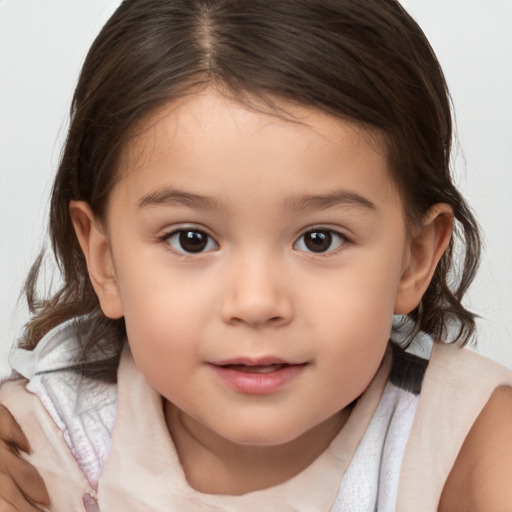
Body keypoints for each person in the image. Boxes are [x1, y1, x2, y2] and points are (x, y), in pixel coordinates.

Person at [1, 0, 512, 510]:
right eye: (191, 239)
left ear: (413, 257)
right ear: (105, 259)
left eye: (319, 239)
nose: (255, 302)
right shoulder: (40, 444)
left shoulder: (470, 443)